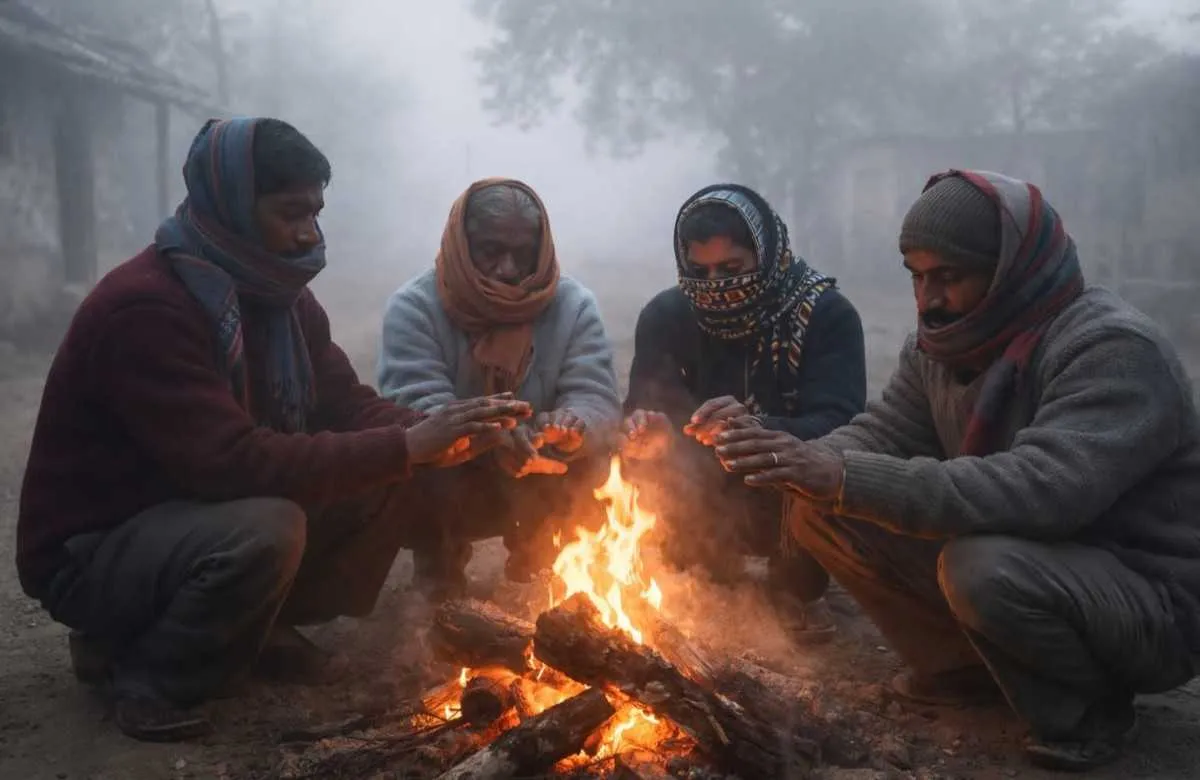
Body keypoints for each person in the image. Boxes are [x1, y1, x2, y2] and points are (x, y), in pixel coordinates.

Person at [15, 118, 529, 742]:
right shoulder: (146, 307)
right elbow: (229, 462)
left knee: (397, 472)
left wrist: (446, 433)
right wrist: (403, 445)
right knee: (269, 527)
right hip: (95, 550)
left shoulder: (279, 295)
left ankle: (255, 631)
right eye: (291, 213)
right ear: (229, 203)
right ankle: (150, 670)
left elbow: (344, 403)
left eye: (315, 211)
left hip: (195, 515)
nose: (310, 232)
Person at [713, 169, 1200, 771]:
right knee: (821, 508)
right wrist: (785, 453)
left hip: (1147, 599)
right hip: (1035, 561)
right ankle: (962, 670)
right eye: (917, 277)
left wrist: (841, 474)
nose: (927, 299)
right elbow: (886, 433)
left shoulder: (1112, 350)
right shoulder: (940, 346)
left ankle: (1089, 708)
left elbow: (1040, 491)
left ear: (1007, 270)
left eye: (949, 277)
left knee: (979, 567)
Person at [620, 183, 866, 640]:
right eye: (701, 271)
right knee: (634, 464)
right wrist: (649, 430)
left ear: (766, 255)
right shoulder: (667, 315)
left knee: (813, 464)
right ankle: (699, 575)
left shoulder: (826, 316)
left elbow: (845, 426)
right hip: (700, 487)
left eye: (732, 269)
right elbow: (649, 402)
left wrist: (757, 429)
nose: (716, 288)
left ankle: (799, 587)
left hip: (783, 482)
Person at [378, 178, 621, 598]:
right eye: (491, 250)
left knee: (598, 463)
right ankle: (439, 572)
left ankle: (547, 565)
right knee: (418, 461)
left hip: (543, 464)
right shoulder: (414, 306)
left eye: (523, 254)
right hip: (459, 472)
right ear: (462, 243)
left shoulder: (573, 305)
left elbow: (597, 397)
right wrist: (493, 436)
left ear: (541, 249)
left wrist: (569, 427)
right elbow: (414, 404)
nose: (508, 269)